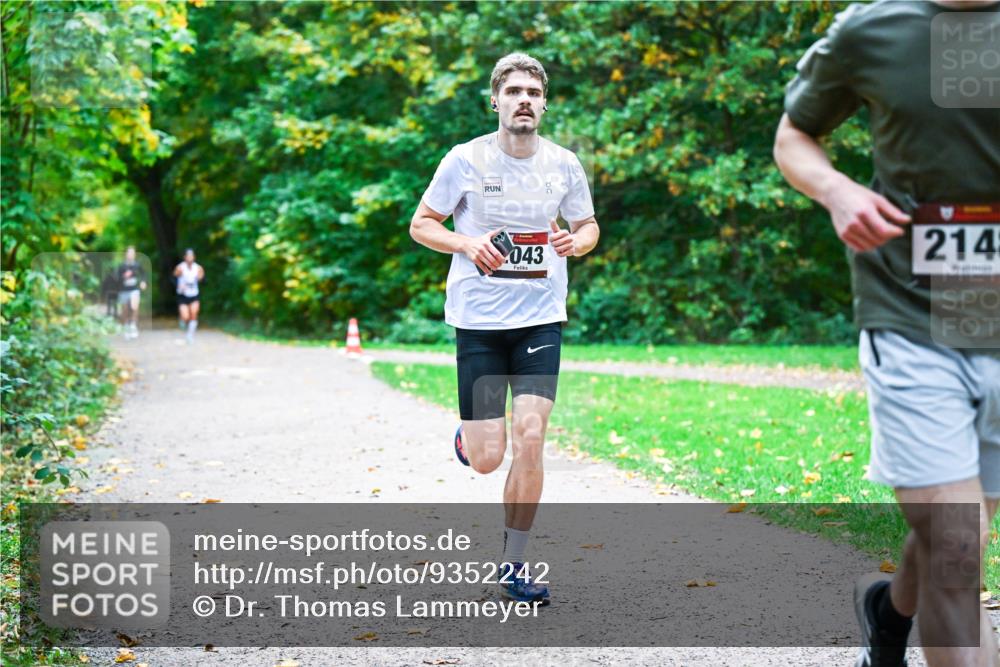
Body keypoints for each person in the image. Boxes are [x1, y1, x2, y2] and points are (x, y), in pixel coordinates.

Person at [773, 2, 999, 666]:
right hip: (912, 316)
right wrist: (837, 191)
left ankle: (888, 608)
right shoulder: (871, 29)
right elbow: (795, 134)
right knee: (957, 544)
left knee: (960, 529)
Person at [410, 52, 599, 605]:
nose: (524, 101)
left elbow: (587, 226)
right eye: (513, 91)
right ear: (495, 100)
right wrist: (466, 243)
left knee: (532, 436)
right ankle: (471, 437)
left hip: (540, 317)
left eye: (533, 93)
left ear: (544, 103)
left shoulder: (563, 164)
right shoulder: (464, 160)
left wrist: (575, 242)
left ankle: (514, 565)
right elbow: (422, 225)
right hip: (479, 321)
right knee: (490, 456)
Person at [173, 248, 204, 344]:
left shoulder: (198, 268)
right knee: (186, 316)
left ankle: (190, 335)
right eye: (188, 256)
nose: (190, 258)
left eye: (191, 256)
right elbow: (173, 278)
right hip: (183, 295)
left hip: (194, 294)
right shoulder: (180, 268)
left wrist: (200, 278)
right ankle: (182, 320)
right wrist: (178, 285)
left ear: (194, 257)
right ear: (185, 257)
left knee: (194, 314)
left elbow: (203, 280)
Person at [115, 246, 147, 339]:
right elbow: (116, 279)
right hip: (124, 290)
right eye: (129, 253)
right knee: (125, 310)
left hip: (134, 290)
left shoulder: (137, 265)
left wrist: (143, 282)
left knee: (134, 308)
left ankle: (133, 327)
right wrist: (124, 277)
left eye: (132, 253)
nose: (130, 255)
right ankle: (126, 327)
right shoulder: (121, 266)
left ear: (135, 255)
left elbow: (143, 274)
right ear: (126, 254)